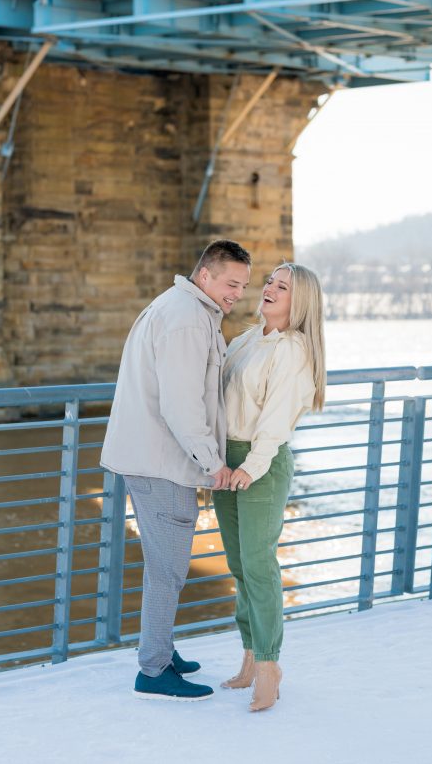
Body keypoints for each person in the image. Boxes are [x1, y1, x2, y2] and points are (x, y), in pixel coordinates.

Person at [101, 240, 251, 701]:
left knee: (164, 567)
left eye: (244, 286)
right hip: (162, 463)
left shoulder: (182, 306)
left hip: (154, 458)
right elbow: (182, 404)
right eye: (231, 283)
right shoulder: (187, 319)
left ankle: (160, 647)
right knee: (168, 570)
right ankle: (153, 669)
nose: (238, 294)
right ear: (205, 275)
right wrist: (214, 463)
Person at [212, 262, 327, 712]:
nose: (270, 289)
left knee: (259, 566)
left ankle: (268, 665)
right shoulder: (246, 339)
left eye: (283, 286)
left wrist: (252, 466)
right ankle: (248, 655)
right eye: (270, 282)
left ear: (300, 303)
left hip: (261, 463)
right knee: (239, 565)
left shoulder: (293, 350)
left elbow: (276, 419)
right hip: (227, 460)